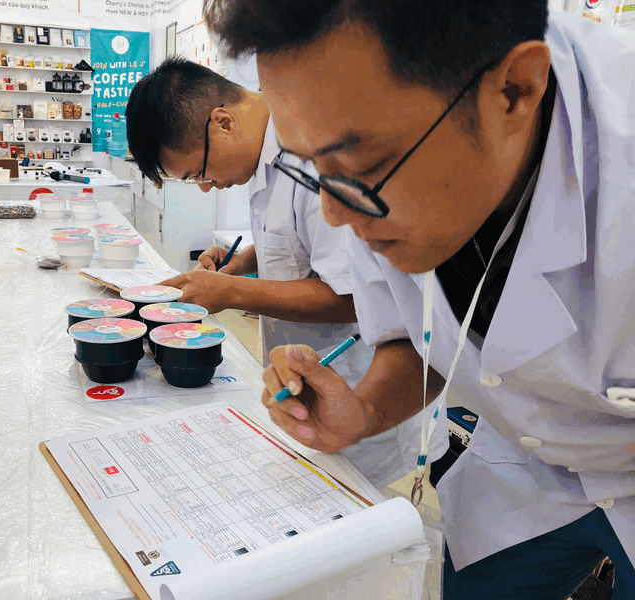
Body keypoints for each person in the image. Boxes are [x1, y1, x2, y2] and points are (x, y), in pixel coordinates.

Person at [204, 1, 635, 599]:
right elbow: (416, 335)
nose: (335, 214)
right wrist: (364, 410)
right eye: (312, 168)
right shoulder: (374, 173)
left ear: (515, 89)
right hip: (526, 469)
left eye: (361, 163)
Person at [125, 58, 446, 487]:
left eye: (199, 172)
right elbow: (304, 240)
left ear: (222, 123)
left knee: (358, 504)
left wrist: (231, 291)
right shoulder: (264, 153)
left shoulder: (314, 155)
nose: (205, 186)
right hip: (310, 387)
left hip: (371, 388)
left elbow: (355, 296)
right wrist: (248, 260)